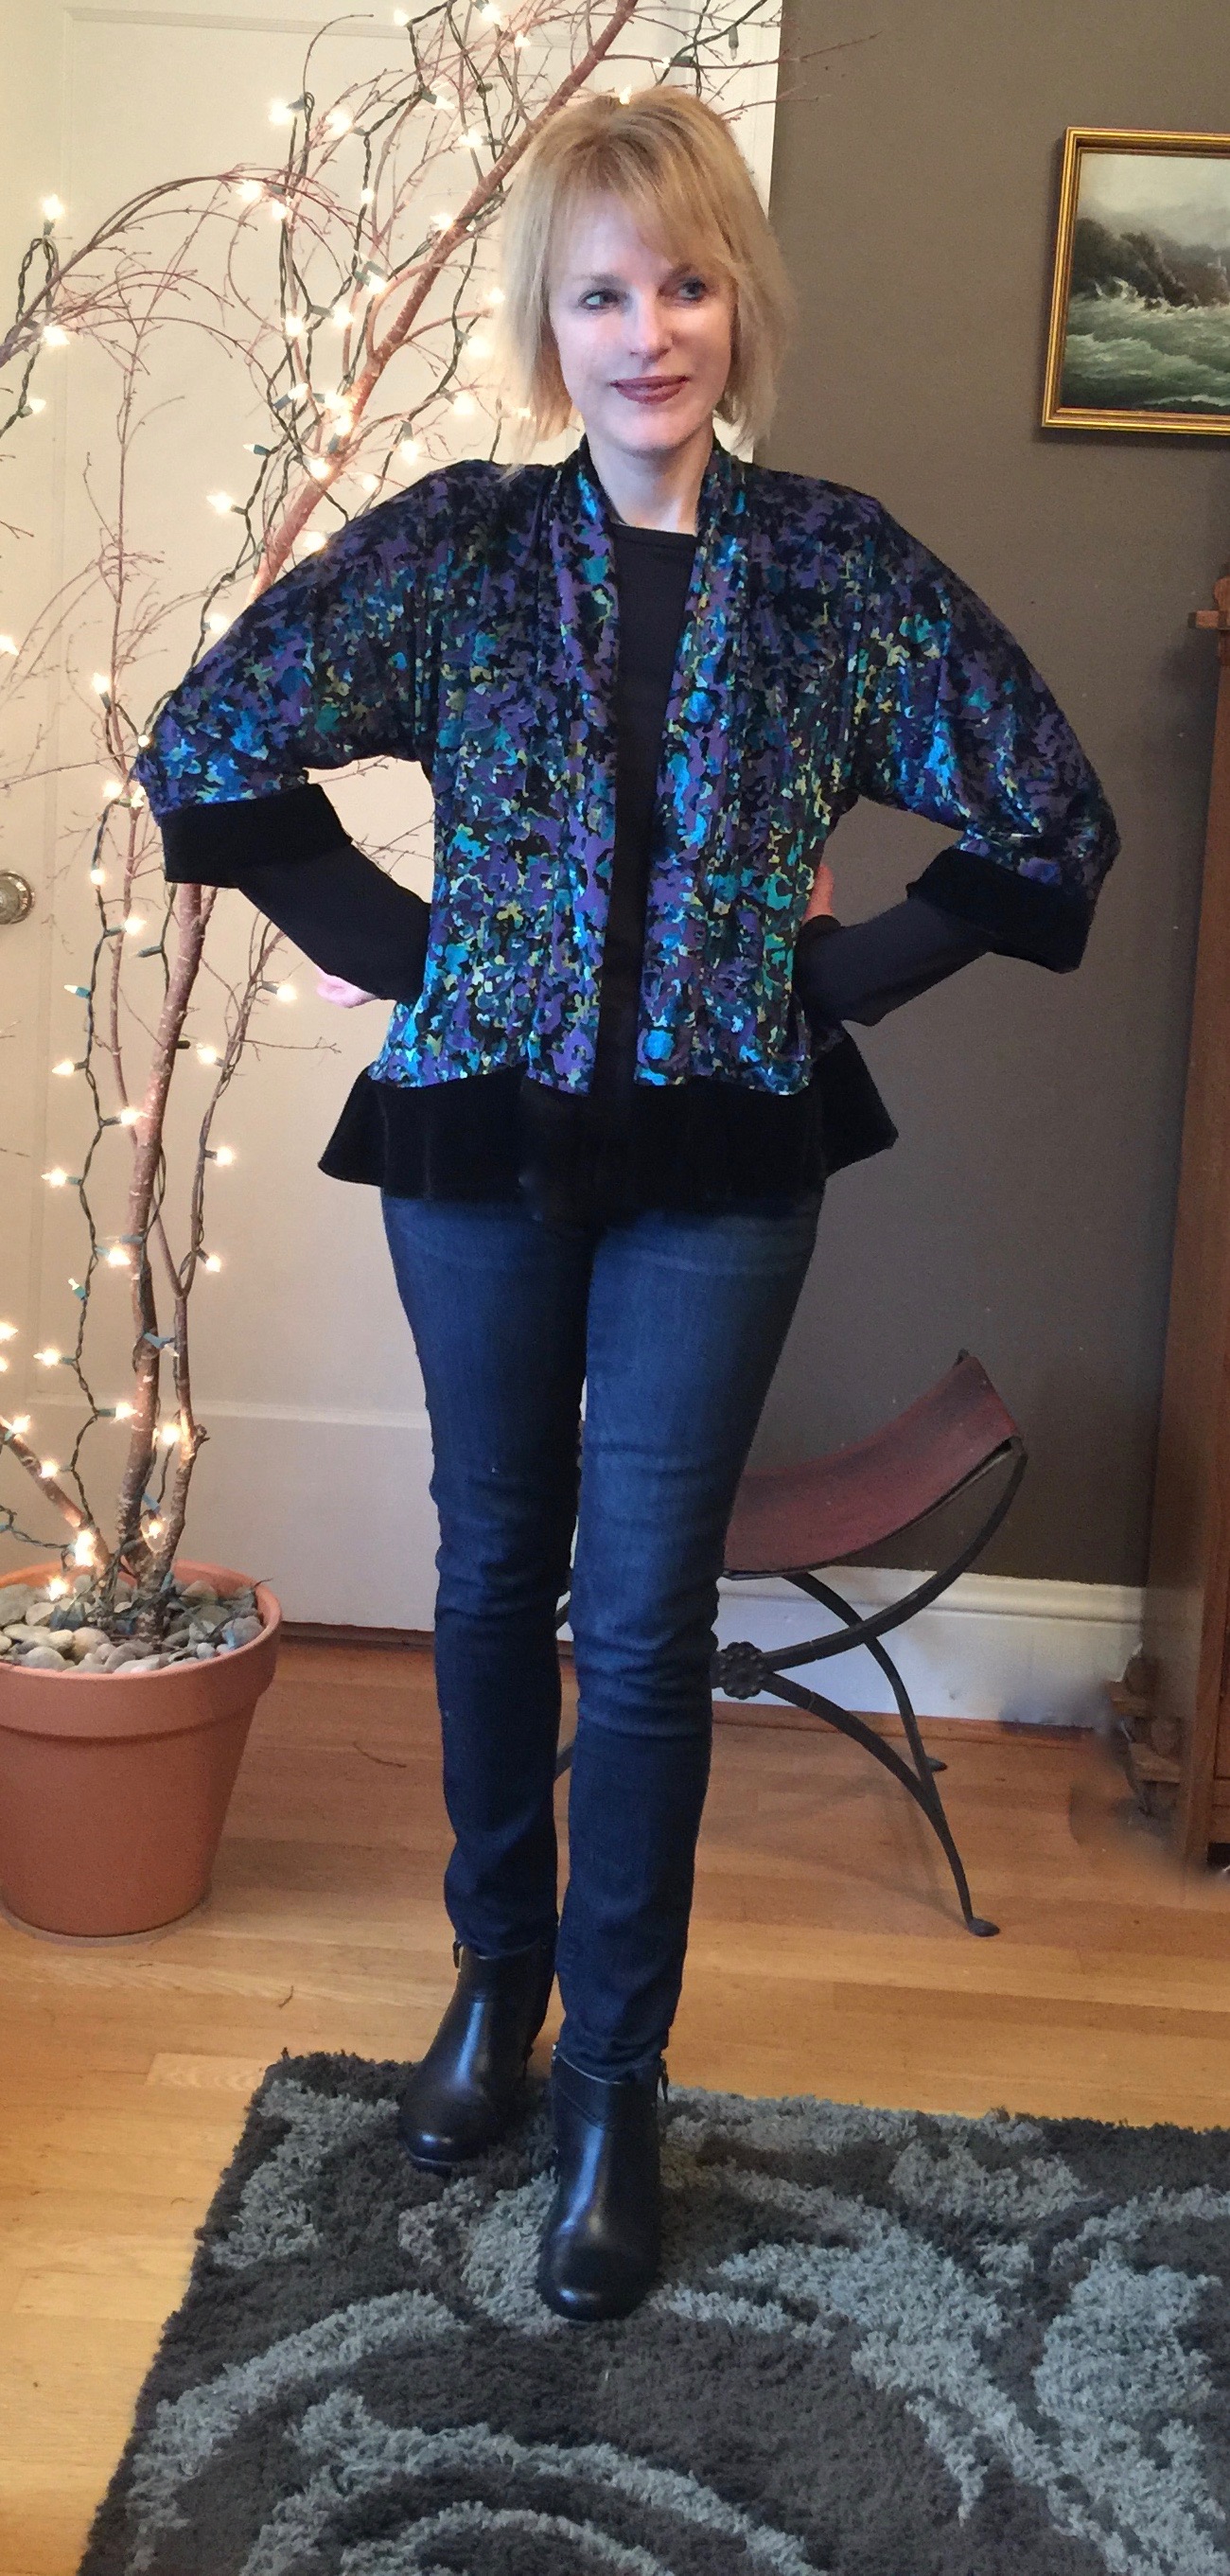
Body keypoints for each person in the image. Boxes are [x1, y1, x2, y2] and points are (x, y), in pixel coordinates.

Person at [134, 87, 1117, 2324]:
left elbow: (1044, 807)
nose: (644, 329)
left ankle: (612, 2084)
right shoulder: (462, 549)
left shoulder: (837, 571)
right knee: (492, 1565)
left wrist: (837, 972)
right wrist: (417, 948)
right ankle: (495, 1980)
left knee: (643, 1611)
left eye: (682, 284)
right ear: (548, 322)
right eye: (599, 292)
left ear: (734, 305)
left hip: (717, 1160)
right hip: (474, 1145)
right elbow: (209, 738)